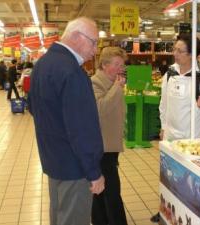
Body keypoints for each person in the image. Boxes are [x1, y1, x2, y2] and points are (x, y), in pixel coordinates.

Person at [28, 17, 105, 225]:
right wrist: (94, 172)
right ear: (76, 37)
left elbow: (32, 107)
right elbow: (83, 129)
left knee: (59, 216)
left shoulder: (43, 64)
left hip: (54, 161)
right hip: (75, 169)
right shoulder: (73, 73)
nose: (95, 49)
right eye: (93, 41)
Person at [151, 34, 200, 222]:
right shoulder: (170, 74)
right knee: (168, 175)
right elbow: (163, 104)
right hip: (171, 137)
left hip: (192, 140)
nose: (175, 54)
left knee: (187, 182)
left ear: (192, 55)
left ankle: (188, 217)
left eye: (180, 51)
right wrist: (163, 127)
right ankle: (165, 210)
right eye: (175, 49)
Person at [91, 47, 128, 225]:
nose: (121, 68)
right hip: (101, 147)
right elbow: (101, 109)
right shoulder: (95, 83)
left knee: (101, 190)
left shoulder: (111, 82)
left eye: (122, 64)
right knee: (112, 191)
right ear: (104, 65)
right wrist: (117, 87)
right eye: (116, 64)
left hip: (109, 146)